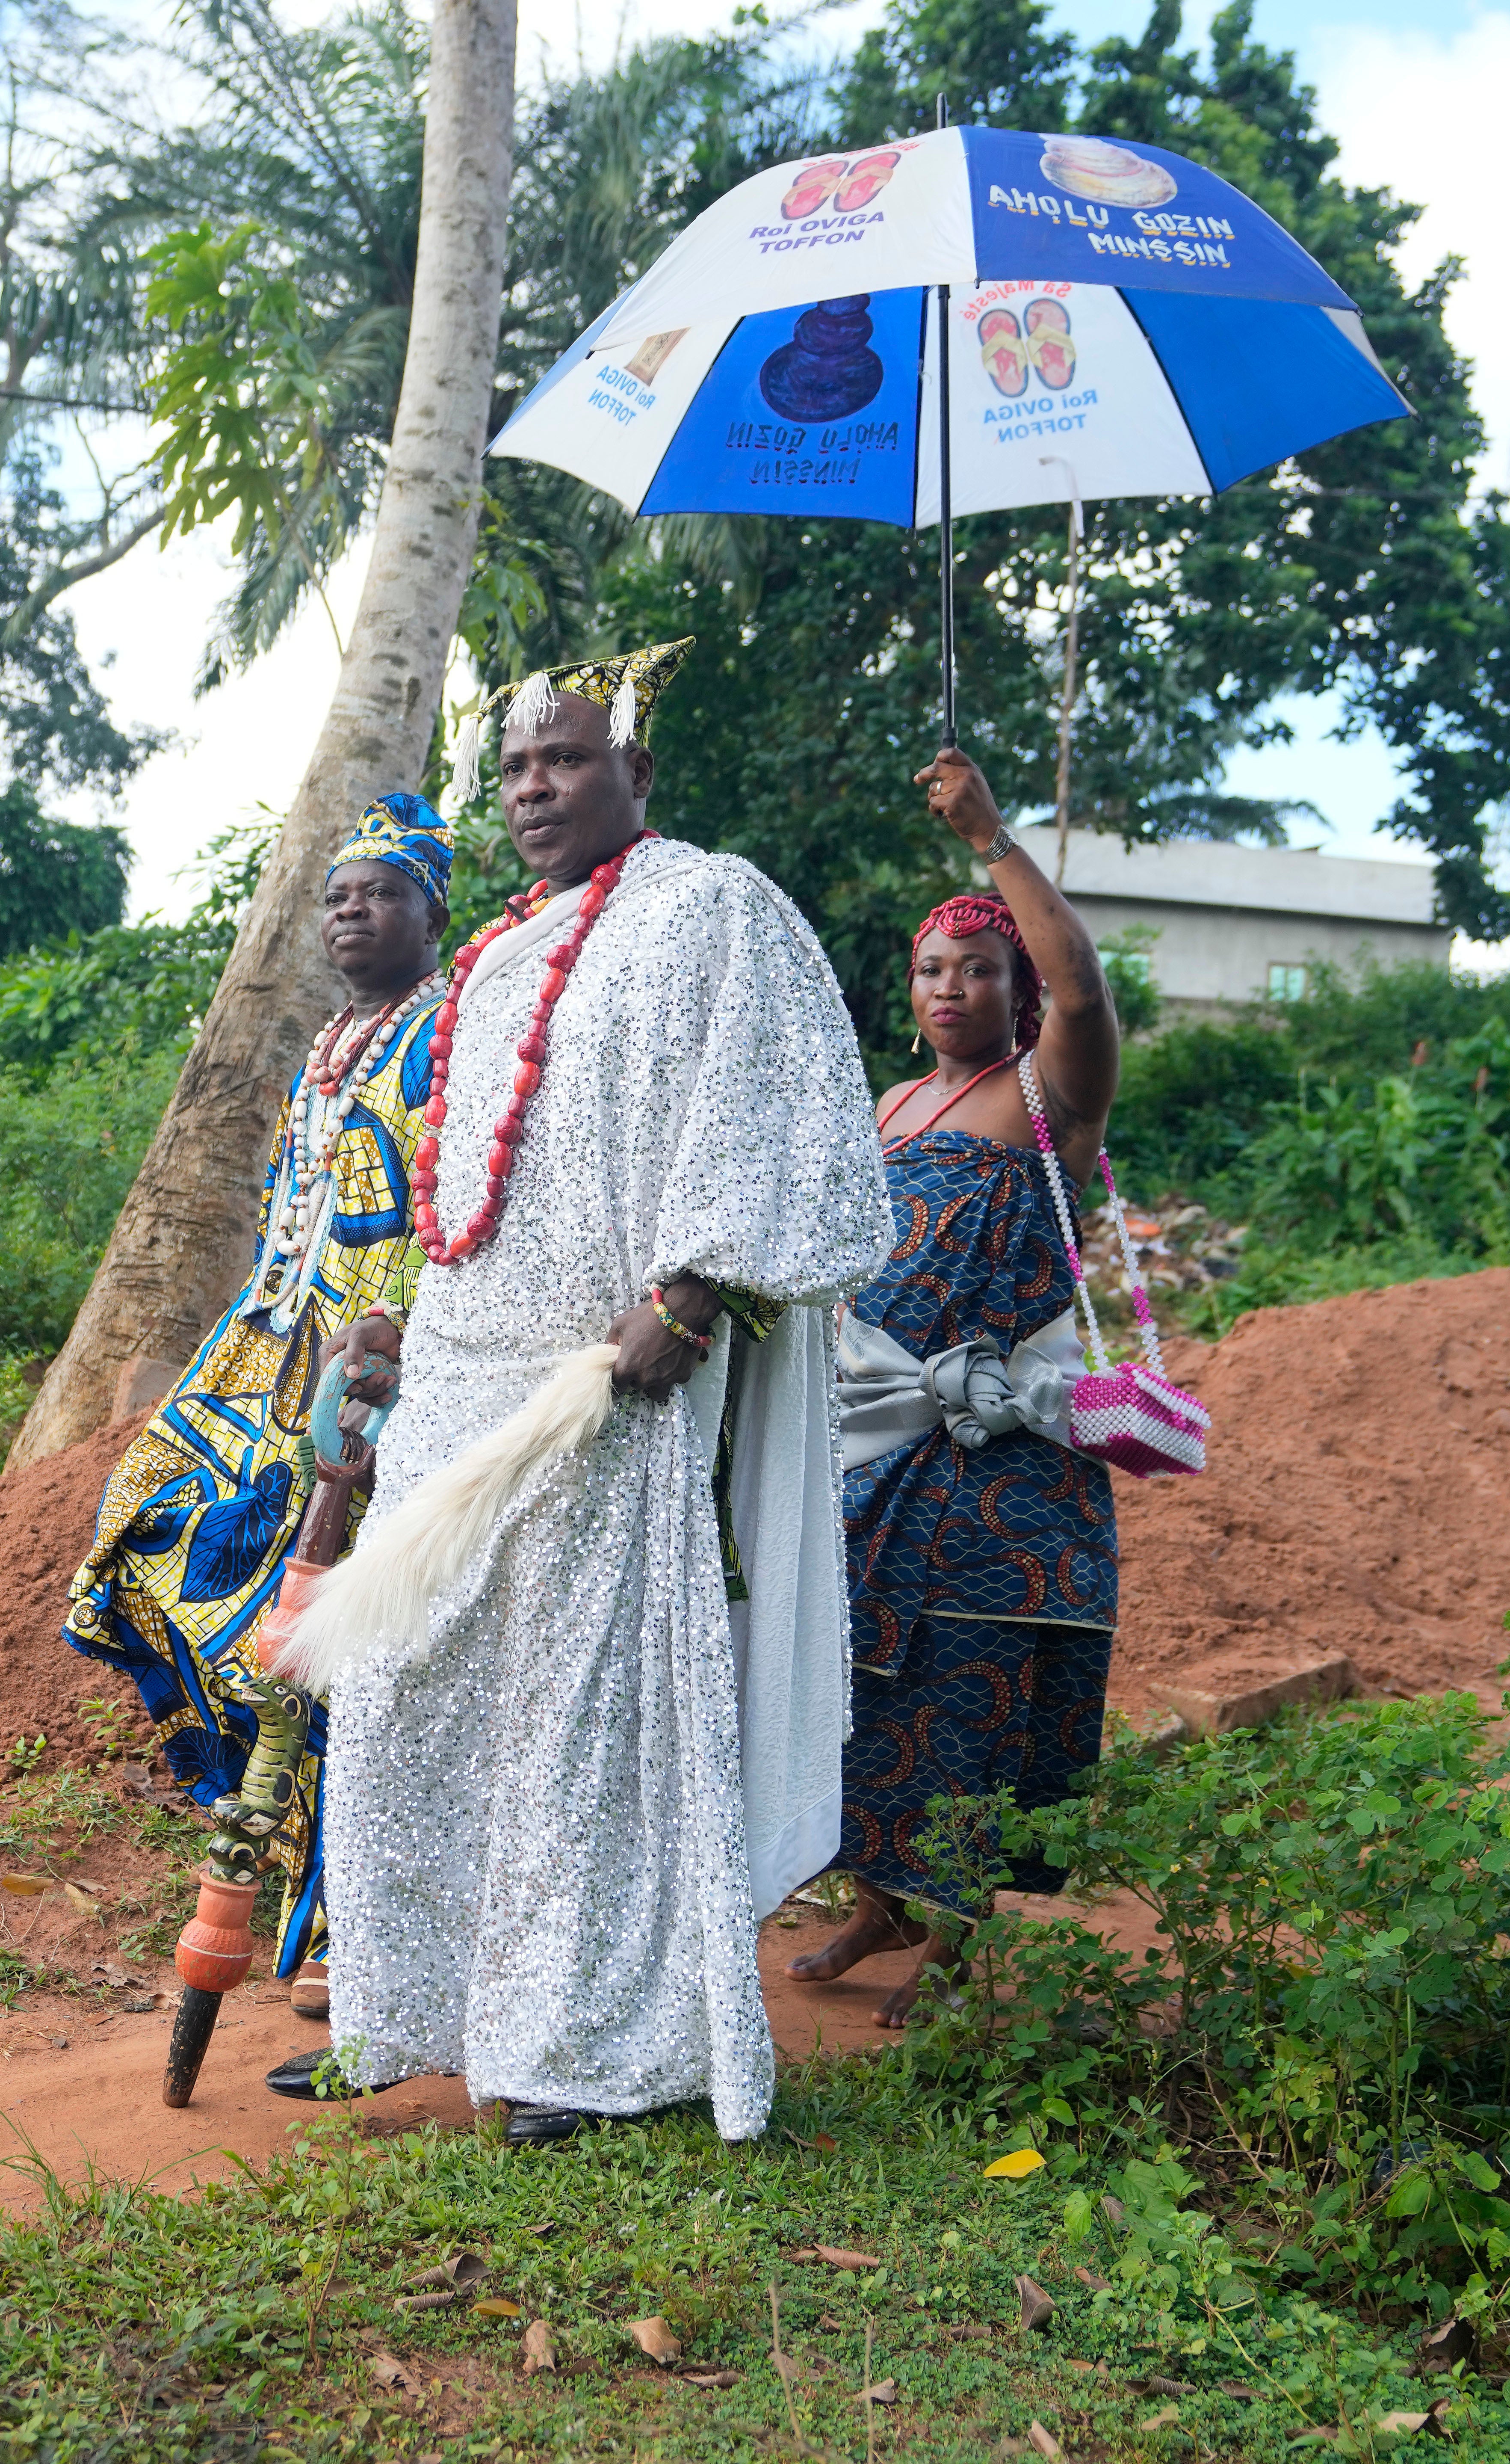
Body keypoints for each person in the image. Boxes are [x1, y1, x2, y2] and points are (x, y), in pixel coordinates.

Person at [288, 638, 892, 2146]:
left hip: (601, 1393)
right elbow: (468, 1184)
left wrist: (696, 1290)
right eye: (512, 768)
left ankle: (577, 2049)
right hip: (460, 1380)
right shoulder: (490, 953)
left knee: (573, 1721)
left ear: (640, 771)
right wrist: (407, 1330)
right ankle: (421, 2010)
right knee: (408, 1690)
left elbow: (787, 1112)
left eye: (563, 757)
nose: (534, 788)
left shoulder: (718, 910)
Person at [59, 794, 456, 2002]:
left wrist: (388, 1372)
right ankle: (285, 1865)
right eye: (338, 896)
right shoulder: (332, 1044)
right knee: (153, 1523)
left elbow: (443, 1212)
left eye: (379, 893)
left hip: (378, 1364)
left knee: (343, 1634)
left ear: (434, 911)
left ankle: (353, 1928)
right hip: (269, 1347)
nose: (351, 913)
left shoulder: (452, 1035)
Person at [789, 749, 1123, 2027]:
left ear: (1015, 985)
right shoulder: (895, 1103)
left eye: (979, 968)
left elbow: (1086, 988)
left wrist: (992, 841)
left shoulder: (1049, 1094)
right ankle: (877, 1898)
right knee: (868, 1672)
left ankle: (958, 1932)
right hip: (879, 1438)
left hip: (1003, 1454)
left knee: (974, 1683)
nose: (951, 987)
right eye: (933, 968)